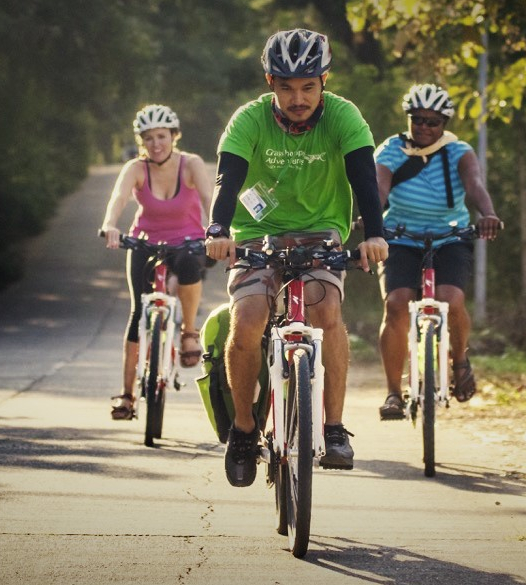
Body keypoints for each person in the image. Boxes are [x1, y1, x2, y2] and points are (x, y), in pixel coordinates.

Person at [205, 28, 388, 487]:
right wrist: (217, 230)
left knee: (326, 308)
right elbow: (228, 181)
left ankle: (333, 427)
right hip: (257, 233)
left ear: (324, 81)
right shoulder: (248, 119)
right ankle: (245, 430)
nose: (298, 97)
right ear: (270, 82)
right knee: (246, 319)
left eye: (308, 86)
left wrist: (376, 235)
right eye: (286, 87)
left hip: (321, 231)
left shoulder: (345, 116)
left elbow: (364, 178)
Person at [375, 84, 502, 420]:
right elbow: (380, 189)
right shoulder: (390, 150)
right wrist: (372, 220)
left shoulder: (459, 151)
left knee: (452, 299)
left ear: (444, 123)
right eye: (418, 119)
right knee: (396, 303)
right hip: (400, 236)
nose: (424, 127)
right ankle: (393, 393)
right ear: (409, 119)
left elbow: (474, 185)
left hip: (450, 236)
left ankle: (459, 360)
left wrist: (487, 214)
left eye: (432, 122)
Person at [101, 104, 212, 420]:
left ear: (174, 136)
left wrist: (217, 231)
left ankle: (189, 332)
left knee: (191, 266)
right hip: (144, 241)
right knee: (138, 313)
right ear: (141, 141)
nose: (155, 144)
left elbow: (208, 199)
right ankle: (127, 395)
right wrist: (111, 225)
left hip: (188, 241)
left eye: (161, 136)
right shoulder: (136, 168)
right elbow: (118, 199)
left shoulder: (191, 165)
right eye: (148, 138)